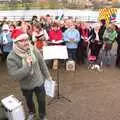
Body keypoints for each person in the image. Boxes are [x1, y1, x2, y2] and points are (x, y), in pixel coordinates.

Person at [7, 29, 51, 120]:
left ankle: (43, 115)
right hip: (26, 85)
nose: (26, 42)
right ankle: (32, 112)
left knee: (42, 100)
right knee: (29, 101)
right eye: (22, 41)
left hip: (39, 81)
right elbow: (14, 76)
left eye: (26, 39)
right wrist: (27, 66)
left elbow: (41, 62)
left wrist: (47, 75)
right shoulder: (11, 57)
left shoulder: (33, 48)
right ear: (16, 42)